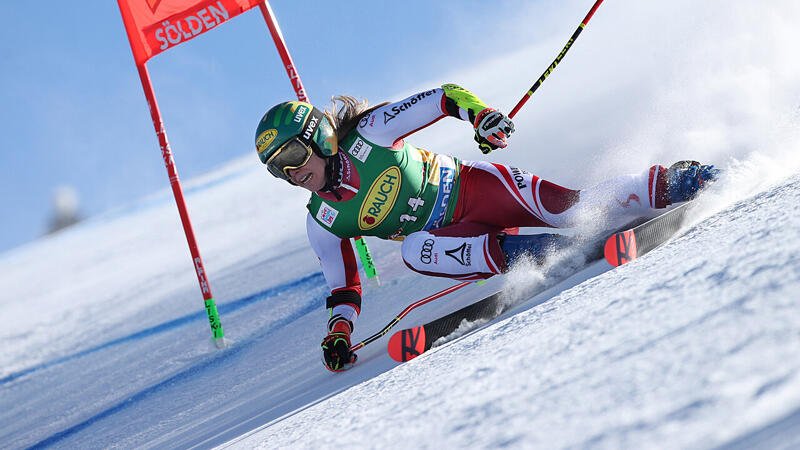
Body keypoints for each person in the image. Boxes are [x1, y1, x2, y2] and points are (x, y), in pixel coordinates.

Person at [254, 84, 718, 371]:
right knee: (417, 249)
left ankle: (679, 181)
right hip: (455, 237)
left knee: (575, 211)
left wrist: (481, 116)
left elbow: (442, 97)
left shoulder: (370, 133)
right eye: (279, 170)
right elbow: (342, 286)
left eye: (293, 157)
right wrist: (338, 331)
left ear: (319, 136)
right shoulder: (323, 221)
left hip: (477, 188)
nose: (292, 174)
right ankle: (551, 252)